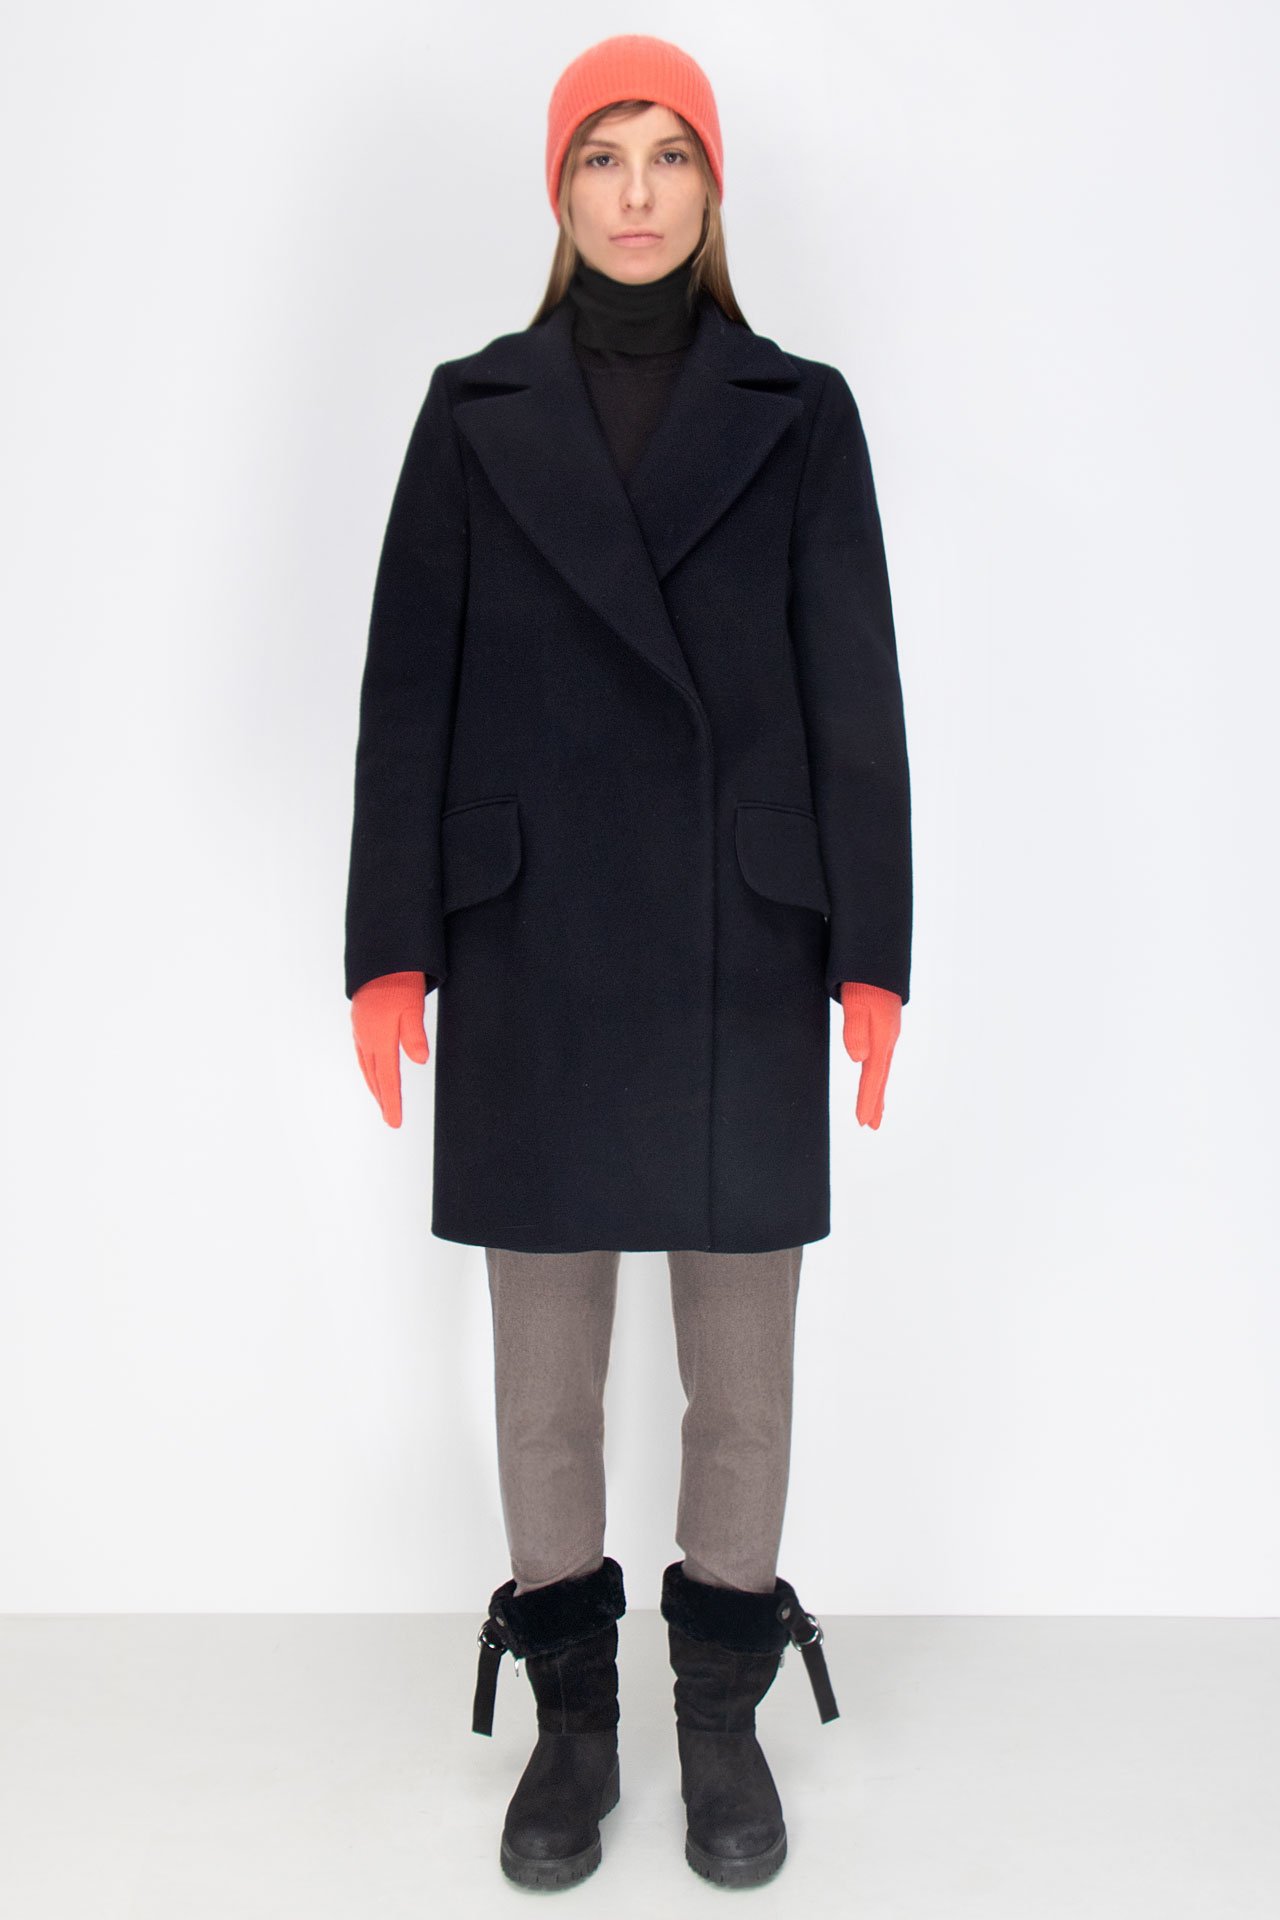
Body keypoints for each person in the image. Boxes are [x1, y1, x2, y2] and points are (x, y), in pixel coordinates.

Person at [343, 31, 911, 1893]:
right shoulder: (472, 409)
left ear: (712, 185)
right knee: (544, 1383)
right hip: (537, 944)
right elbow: (407, 692)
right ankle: (575, 1724)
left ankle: (720, 1718)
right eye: (606, 155)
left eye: (672, 154)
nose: (641, 190)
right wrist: (390, 947)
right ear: (562, 188)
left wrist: (875, 954)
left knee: (740, 1380)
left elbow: (855, 698)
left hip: (742, 942)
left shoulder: (801, 412)